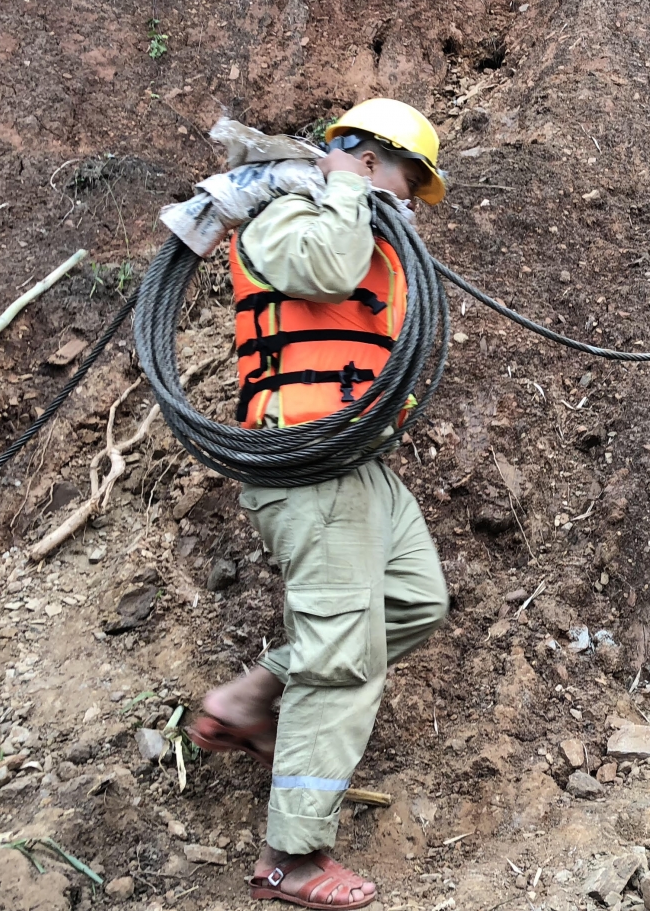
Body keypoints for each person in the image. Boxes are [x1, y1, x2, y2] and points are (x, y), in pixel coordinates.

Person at [186, 99, 451, 909]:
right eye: (408, 179)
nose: (411, 201)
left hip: (359, 467)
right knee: (342, 662)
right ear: (368, 160)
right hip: (306, 465)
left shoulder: (365, 225)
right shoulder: (284, 215)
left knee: (415, 602)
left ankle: (248, 699)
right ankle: (290, 860)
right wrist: (340, 188)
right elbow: (325, 272)